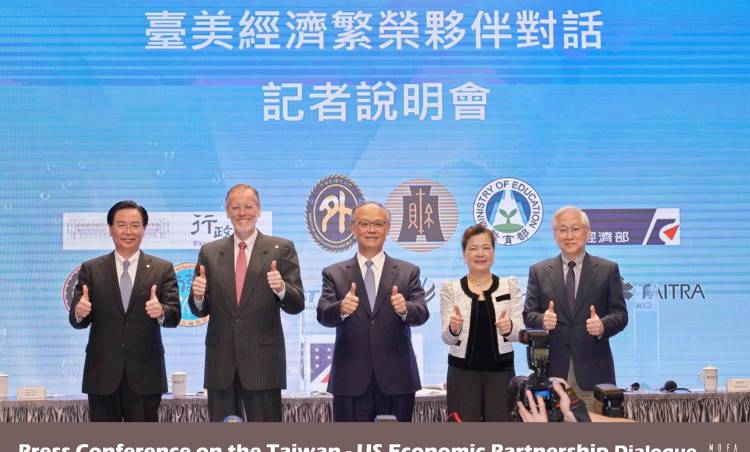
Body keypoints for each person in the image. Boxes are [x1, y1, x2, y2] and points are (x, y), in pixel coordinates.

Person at [188, 184, 304, 422]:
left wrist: (281, 289)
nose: (242, 213)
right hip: (221, 363)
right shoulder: (210, 252)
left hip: (263, 363)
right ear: (227, 212)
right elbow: (200, 308)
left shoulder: (281, 248)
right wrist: (198, 297)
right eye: (235, 207)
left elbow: (297, 304)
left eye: (249, 207)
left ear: (259, 210)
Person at [69, 200, 181, 422]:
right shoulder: (91, 269)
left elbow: (174, 315)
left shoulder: (162, 268)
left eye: (135, 225)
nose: (128, 231)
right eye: (121, 225)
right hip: (102, 373)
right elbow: (77, 319)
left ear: (144, 229)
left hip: (145, 374)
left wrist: (161, 311)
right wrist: (79, 312)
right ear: (110, 228)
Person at [316, 202, 429, 422]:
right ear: (353, 227)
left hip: (397, 380)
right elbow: (322, 314)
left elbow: (422, 312)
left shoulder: (408, 271)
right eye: (364, 223)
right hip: (350, 379)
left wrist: (405, 309)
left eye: (378, 224)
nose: (371, 230)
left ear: (388, 228)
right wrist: (341, 308)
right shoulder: (334, 273)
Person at [523, 205, 628, 408]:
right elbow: (528, 314)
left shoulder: (607, 269)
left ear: (587, 232)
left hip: (595, 376)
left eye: (575, 229)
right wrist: (542, 320)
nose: (569, 235)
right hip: (552, 375)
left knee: (595, 429)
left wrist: (603, 325)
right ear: (555, 235)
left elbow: (620, 314)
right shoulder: (539, 271)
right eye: (562, 230)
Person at [440, 224, 524, 421]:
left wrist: (509, 328)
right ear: (464, 253)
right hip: (462, 374)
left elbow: (519, 333)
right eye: (473, 248)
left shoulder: (509, 286)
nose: (480, 254)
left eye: (486, 248)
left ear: (493, 252)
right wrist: (453, 329)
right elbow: (447, 338)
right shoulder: (451, 289)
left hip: (501, 374)